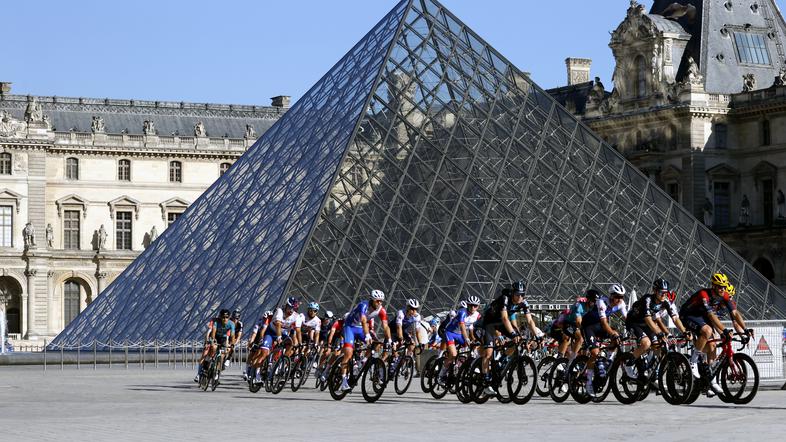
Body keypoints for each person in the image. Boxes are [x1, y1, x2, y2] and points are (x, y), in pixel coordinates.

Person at [679, 273, 752, 394]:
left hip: (701, 317)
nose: (722, 289)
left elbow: (734, 313)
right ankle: (693, 360)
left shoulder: (725, 295)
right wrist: (724, 330)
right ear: (713, 286)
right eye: (719, 287)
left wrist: (745, 330)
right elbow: (711, 316)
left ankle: (711, 381)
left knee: (712, 345)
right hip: (688, 315)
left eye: (724, 286)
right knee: (707, 331)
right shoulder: (704, 294)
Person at [476, 280, 539, 394]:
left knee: (518, 340)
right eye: (517, 294)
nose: (520, 297)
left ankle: (503, 358)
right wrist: (513, 334)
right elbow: (505, 318)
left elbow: (530, 320)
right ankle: (485, 381)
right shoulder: (505, 298)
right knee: (489, 353)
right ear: (512, 293)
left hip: (501, 324)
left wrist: (537, 335)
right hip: (489, 323)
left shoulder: (524, 303)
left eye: (522, 294)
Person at [624, 279, 688, 377]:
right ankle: (628, 364)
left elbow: (675, 318)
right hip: (634, 322)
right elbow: (649, 320)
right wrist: (660, 333)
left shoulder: (665, 301)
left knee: (658, 345)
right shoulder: (648, 300)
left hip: (645, 324)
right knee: (646, 343)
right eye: (661, 292)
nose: (664, 295)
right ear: (655, 291)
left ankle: (652, 370)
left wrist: (684, 331)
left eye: (665, 293)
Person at [578, 286, 626, 396]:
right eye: (617, 297)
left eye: (622, 297)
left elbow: (627, 319)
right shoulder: (601, 302)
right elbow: (604, 323)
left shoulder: (621, 303)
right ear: (611, 296)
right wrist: (613, 334)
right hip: (588, 326)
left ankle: (607, 361)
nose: (619, 299)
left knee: (617, 338)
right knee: (595, 353)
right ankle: (589, 382)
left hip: (599, 327)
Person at [339, 290, 388, 391]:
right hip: (350, 327)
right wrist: (367, 335)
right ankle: (343, 381)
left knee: (376, 344)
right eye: (378, 301)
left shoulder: (381, 310)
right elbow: (364, 321)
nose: (380, 303)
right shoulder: (363, 305)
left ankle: (362, 362)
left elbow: (385, 326)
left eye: (381, 301)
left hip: (360, 328)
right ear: (372, 300)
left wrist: (390, 339)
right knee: (348, 353)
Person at [439, 296, 481, 383]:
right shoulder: (462, 312)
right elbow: (462, 327)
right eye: (470, 305)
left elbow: (474, 328)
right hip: (450, 332)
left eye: (475, 306)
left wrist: (476, 339)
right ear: (467, 305)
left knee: (473, 348)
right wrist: (467, 338)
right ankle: (441, 376)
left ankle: (461, 367)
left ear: (478, 307)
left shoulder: (477, 315)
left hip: (460, 335)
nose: (473, 307)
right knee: (453, 354)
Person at [194, 309, 235, 382]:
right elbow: (213, 331)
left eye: (226, 317)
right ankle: (200, 371)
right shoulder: (216, 322)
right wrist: (212, 341)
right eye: (223, 317)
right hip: (214, 337)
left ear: (229, 317)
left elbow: (232, 335)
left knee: (222, 355)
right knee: (210, 350)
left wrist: (232, 344)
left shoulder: (231, 324)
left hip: (223, 338)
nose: (224, 319)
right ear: (220, 317)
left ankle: (216, 373)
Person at [244, 311, 272, 382]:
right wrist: (251, 342)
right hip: (258, 337)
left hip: (267, 338)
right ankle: (247, 370)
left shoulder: (272, 323)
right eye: (265, 318)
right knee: (253, 353)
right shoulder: (259, 323)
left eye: (268, 318)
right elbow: (254, 334)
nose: (266, 320)